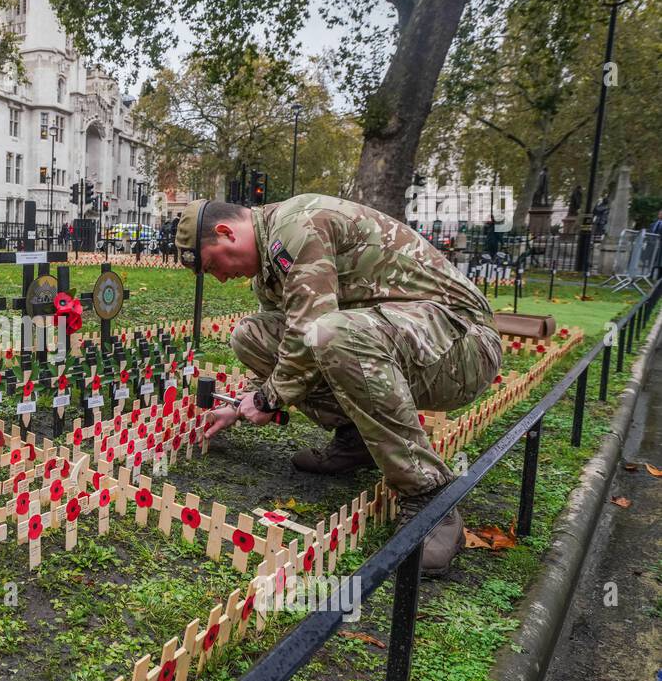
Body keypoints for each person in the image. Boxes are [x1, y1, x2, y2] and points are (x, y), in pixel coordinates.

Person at [180, 194, 501, 576]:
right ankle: (357, 440)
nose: (219, 277)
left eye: (213, 264)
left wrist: (267, 400)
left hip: (462, 343)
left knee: (335, 333)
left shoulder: (297, 226)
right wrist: (241, 403)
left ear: (225, 232)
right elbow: (286, 347)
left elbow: (307, 334)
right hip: (403, 338)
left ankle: (431, 497)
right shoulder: (269, 267)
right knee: (251, 335)